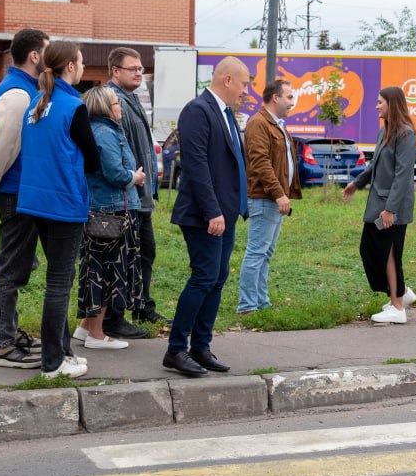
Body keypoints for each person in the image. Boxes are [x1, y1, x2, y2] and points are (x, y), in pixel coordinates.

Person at [16, 41, 101, 378]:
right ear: (69, 67)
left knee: (57, 281)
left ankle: (62, 353)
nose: (82, 68)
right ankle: (53, 363)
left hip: (35, 202)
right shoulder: (73, 106)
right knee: (59, 284)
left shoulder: (36, 104)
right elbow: (93, 160)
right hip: (64, 204)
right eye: (80, 62)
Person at [164, 57, 251, 377]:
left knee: (216, 278)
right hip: (205, 214)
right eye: (244, 84)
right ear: (227, 80)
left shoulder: (226, 114)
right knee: (203, 277)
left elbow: (231, 164)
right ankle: (175, 350)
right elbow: (197, 164)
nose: (246, 91)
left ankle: (201, 346)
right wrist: (212, 210)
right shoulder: (198, 110)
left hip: (225, 213)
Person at [0, 27, 47, 369]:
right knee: (10, 268)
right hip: (16, 190)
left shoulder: (25, 88)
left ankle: (11, 331)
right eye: (47, 51)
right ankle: (3, 344)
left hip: (21, 190)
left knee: (19, 264)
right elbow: (3, 147)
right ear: (35, 55)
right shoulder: (18, 93)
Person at [72, 87, 145, 353]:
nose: (120, 107)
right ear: (104, 107)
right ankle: (97, 334)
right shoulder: (105, 133)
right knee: (106, 272)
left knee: (97, 268)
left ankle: (85, 327)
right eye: (116, 103)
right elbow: (115, 173)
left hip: (105, 209)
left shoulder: (100, 130)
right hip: (111, 212)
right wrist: (134, 178)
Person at [102, 47, 167, 338]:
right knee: (123, 258)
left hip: (140, 197)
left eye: (141, 69)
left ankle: (141, 305)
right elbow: (116, 149)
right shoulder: (112, 101)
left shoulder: (133, 98)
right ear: (115, 71)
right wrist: (133, 181)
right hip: (126, 196)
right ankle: (113, 318)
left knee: (144, 253)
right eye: (133, 69)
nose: (139, 73)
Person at [344, 86, 416, 325]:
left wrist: (391, 209)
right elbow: (374, 165)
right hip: (379, 203)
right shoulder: (384, 131)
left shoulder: (406, 134)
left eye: (380, 102)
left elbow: (403, 175)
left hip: (392, 207)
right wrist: (357, 184)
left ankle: (398, 307)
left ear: (392, 104)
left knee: (389, 254)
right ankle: (402, 293)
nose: (376, 106)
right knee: (370, 249)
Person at [236, 78, 300, 314]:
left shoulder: (276, 123)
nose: (292, 102)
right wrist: (278, 193)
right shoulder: (259, 123)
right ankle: (248, 306)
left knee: (265, 252)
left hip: (273, 199)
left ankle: (261, 302)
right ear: (276, 98)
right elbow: (260, 162)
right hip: (265, 198)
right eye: (289, 97)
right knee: (256, 252)